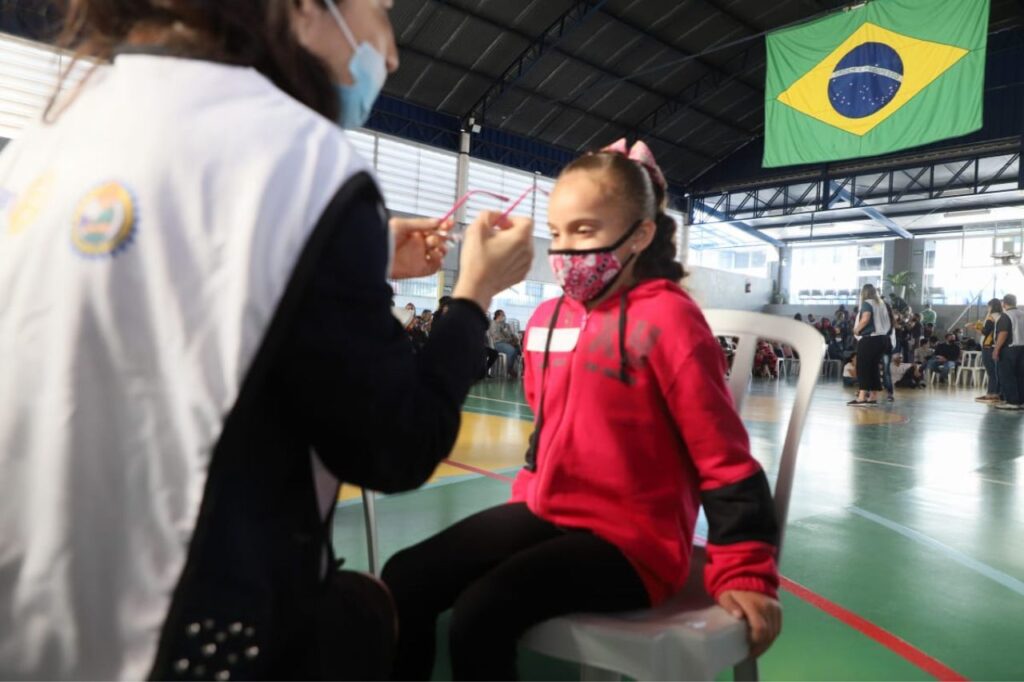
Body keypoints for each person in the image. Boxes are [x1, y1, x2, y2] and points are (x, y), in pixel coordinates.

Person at [0, 1, 538, 679]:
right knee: (371, 610)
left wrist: (357, 254)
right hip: (182, 634)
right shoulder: (299, 160)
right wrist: (473, 297)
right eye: (381, 12)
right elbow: (396, 444)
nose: (392, 54)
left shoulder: (44, 139)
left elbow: (164, 276)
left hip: (32, 616)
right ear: (306, 8)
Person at [382, 141, 782, 680]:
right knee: (404, 578)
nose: (566, 250)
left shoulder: (671, 321)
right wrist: (526, 497)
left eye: (585, 231)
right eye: (559, 231)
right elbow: (546, 429)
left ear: (640, 234)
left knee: (481, 614)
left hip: (633, 543)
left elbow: (724, 459)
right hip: (548, 511)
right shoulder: (547, 319)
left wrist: (747, 569)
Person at [849, 283, 893, 406]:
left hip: (870, 339)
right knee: (874, 368)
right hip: (883, 339)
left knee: (863, 367)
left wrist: (856, 329)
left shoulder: (867, 303)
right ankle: (873, 396)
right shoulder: (882, 304)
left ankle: (862, 397)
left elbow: (866, 318)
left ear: (864, 293)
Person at [994, 293, 1024, 411]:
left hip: (1009, 349)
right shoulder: (1022, 314)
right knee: (1021, 376)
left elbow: (1003, 333)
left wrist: (996, 349)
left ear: (1004, 303)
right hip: (1022, 349)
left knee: (1007, 375)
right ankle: (1021, 401)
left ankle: (1012, 401)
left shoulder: (1005, 316)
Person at [975, 299, 1003, 403]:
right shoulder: (1001, 315)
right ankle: (996, 393)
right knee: (996, 371)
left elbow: (986, 331)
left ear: (991, 306)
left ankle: (991, 394)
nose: (988, 308)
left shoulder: (991, 317)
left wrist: (975, 328)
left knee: (991, 372)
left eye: (988, 306)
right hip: (996, 346)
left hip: (988, 346)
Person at [488, 309, 522, 379]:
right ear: (498, 316)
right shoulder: (493, 323)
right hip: (498, 343)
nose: (504, 317)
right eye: (503, 315)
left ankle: (522, 370)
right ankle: (509, 369)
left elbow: (511, 335)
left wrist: (515, 339)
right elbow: (496, 337)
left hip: (508, 342)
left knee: (519, 350)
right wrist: (509, 341)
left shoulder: (506, 325)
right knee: (512, 350)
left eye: (504, 315)